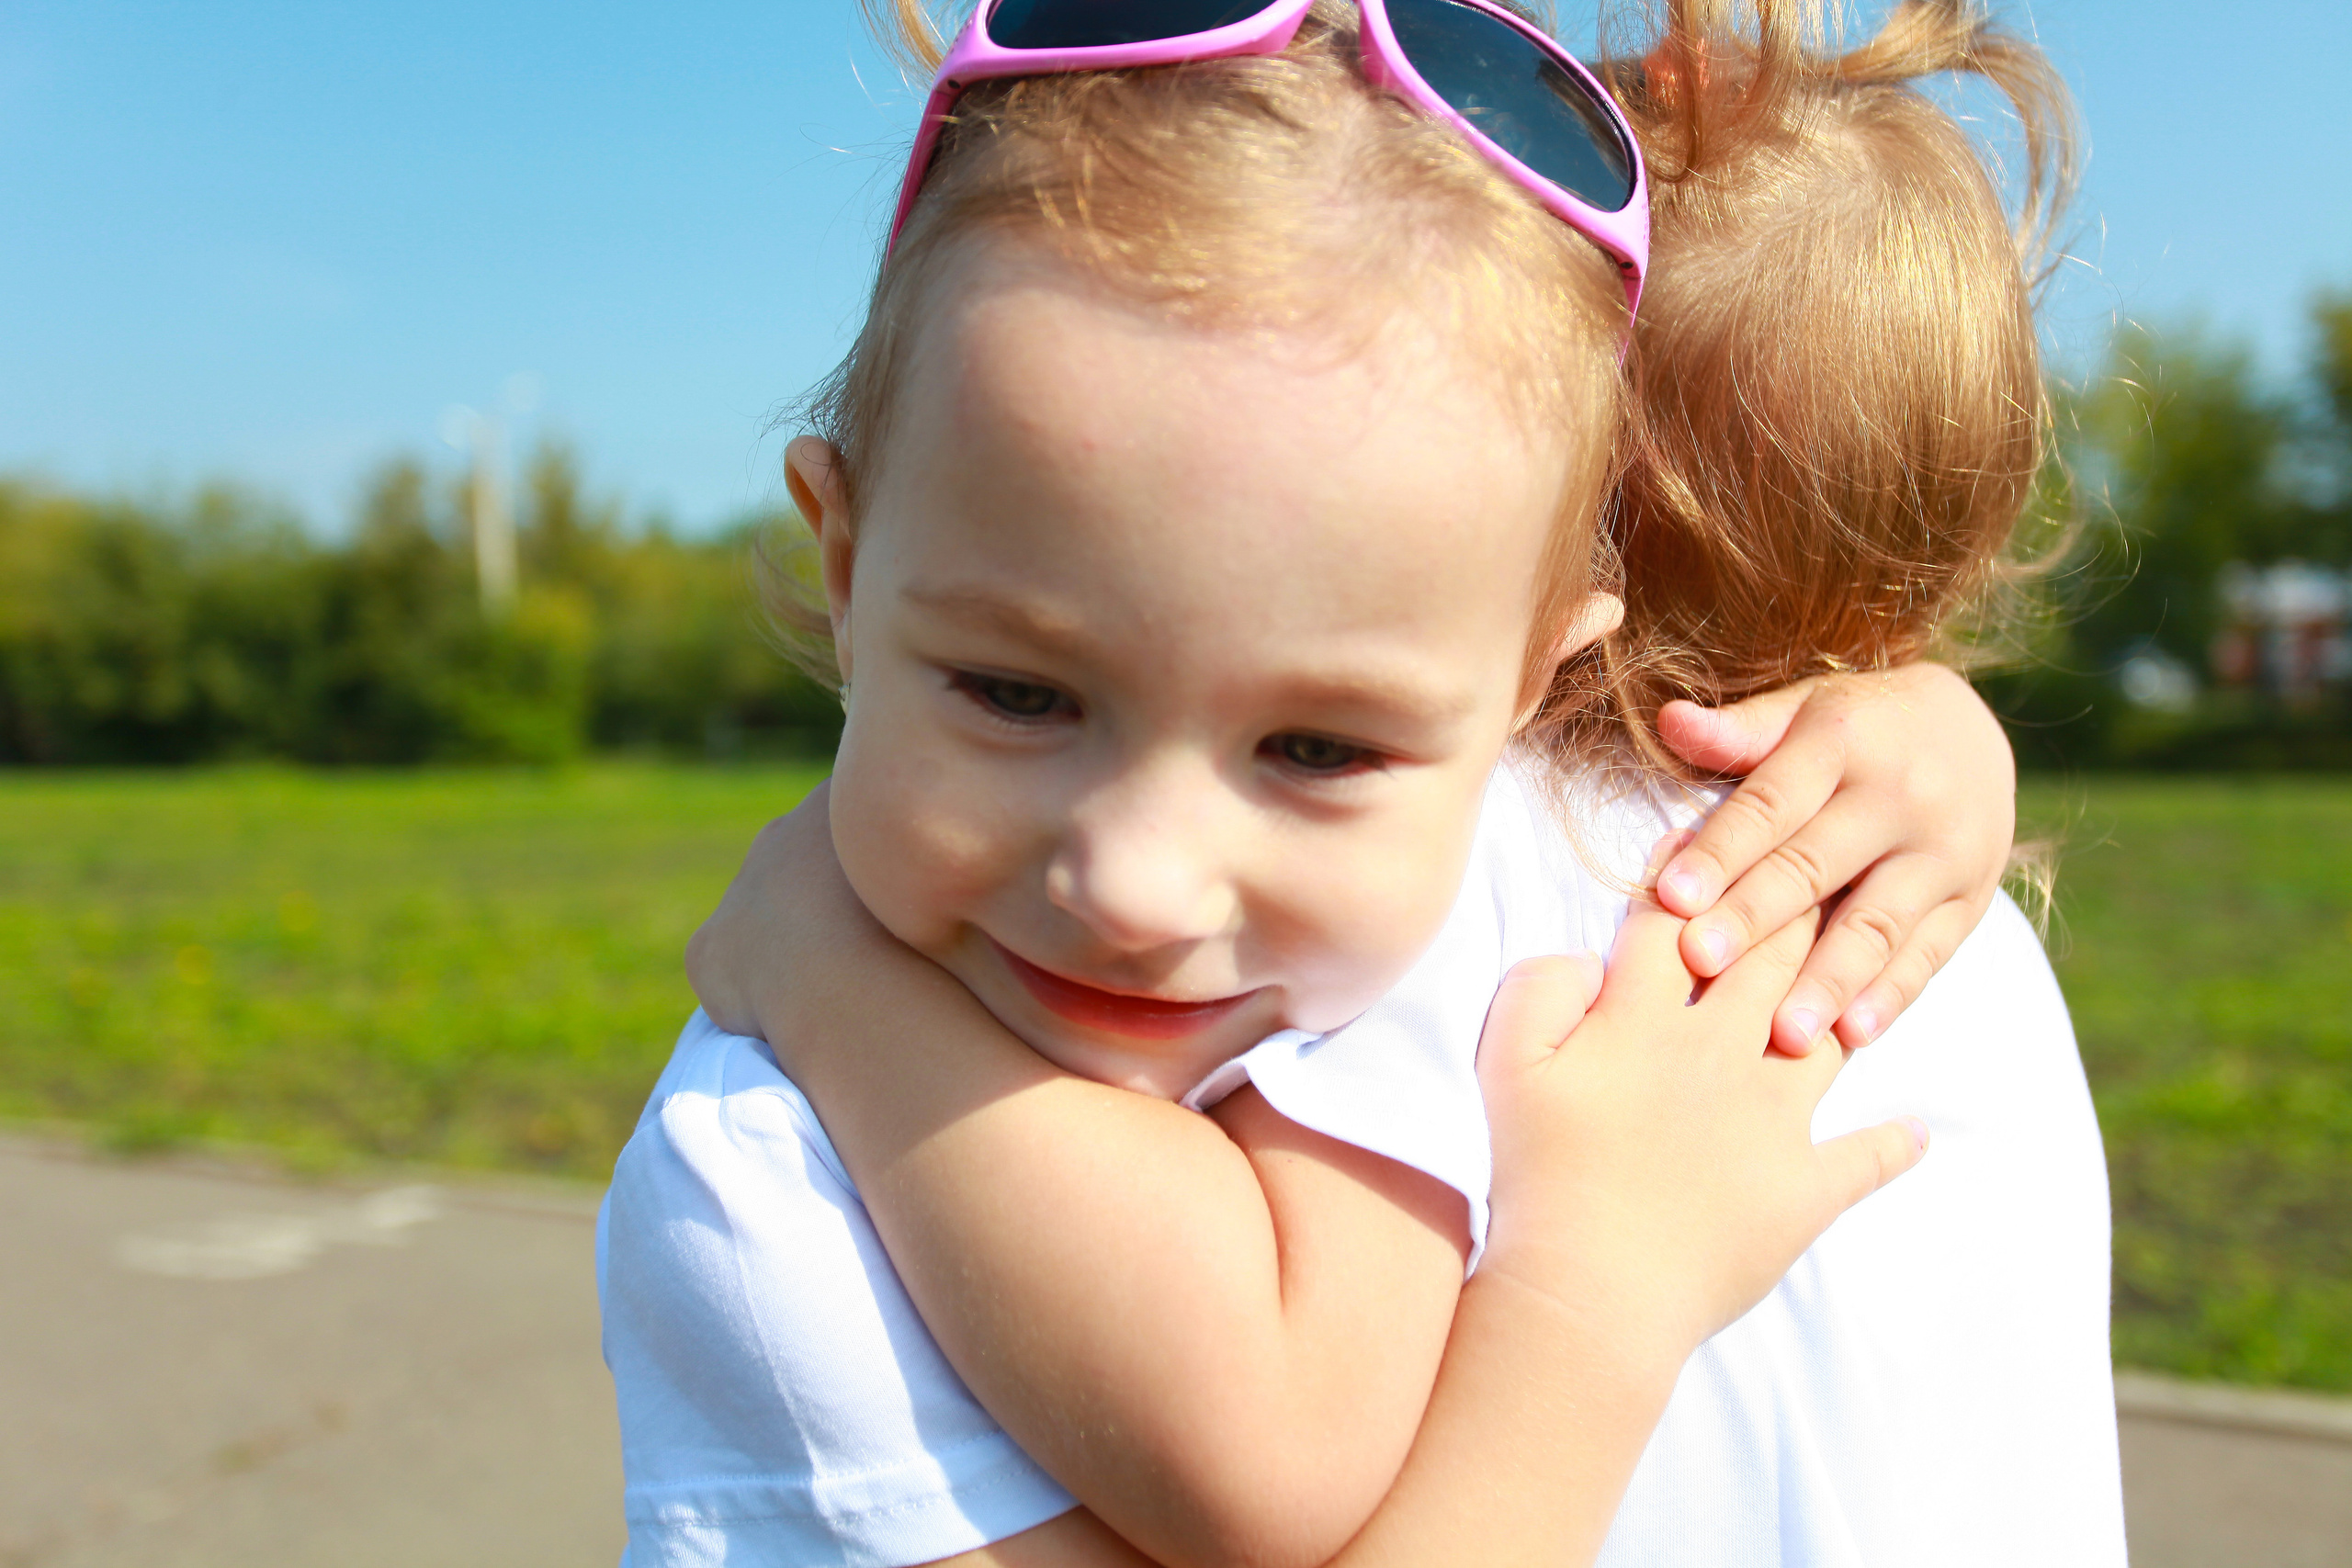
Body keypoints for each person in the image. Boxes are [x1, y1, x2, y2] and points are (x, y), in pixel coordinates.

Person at [601, 1, 2119, 1563]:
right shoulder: (1929, 933)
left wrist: (815, 950)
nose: (1134, 882)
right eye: (1016, 691)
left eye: (1318, 748)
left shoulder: (1481, 928)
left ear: (1538, 674)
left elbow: (1276, 1452)